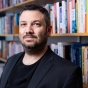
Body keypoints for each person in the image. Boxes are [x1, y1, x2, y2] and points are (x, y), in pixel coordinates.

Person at [0, 4, 83, 88]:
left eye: (36, 24)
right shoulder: (10, 61)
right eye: (23, 24)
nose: (28, 30)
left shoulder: (68, 72)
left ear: (49, 31)